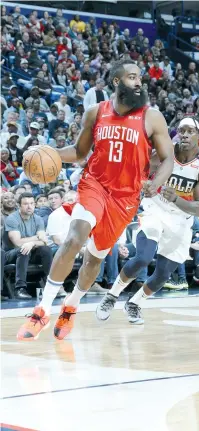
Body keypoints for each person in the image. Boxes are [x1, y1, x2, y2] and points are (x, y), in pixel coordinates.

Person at [17, 59, 174, 341]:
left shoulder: (152, 117)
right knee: (75, 238)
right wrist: (49, 151)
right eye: (132, 77)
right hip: (95, 184)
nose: (139, 82)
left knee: (94, 259)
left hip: (125, 198)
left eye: (140, 78)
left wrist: (157, 182)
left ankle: (71, 307)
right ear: (116, 82)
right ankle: (42, 310)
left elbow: (168, 159)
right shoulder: (96, 112)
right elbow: (78, 152)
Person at [96, 116, 199, 324]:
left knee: (163, 274)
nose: (184, 134)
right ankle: (111, 296)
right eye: (181, 130)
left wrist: (176, 199)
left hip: (181, 219)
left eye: (190, 130)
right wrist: (143, 184)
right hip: (155, 209)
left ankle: (134, 303)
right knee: (143, 257)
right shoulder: (162, 152)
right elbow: (136, 174)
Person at [3, 192, 54, 299]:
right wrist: (36, 238)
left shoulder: (38, 219)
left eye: (31, 203)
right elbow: (17, 243)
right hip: (10, 254)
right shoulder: (12, 219)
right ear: (19, 206)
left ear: (35, 205)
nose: (29, 206)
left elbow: (44, 241)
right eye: (25, 204)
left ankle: (51, 285)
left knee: (46, 249)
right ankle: (20, 288)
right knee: (24, 249)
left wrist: (32, 243)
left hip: (30, 251)